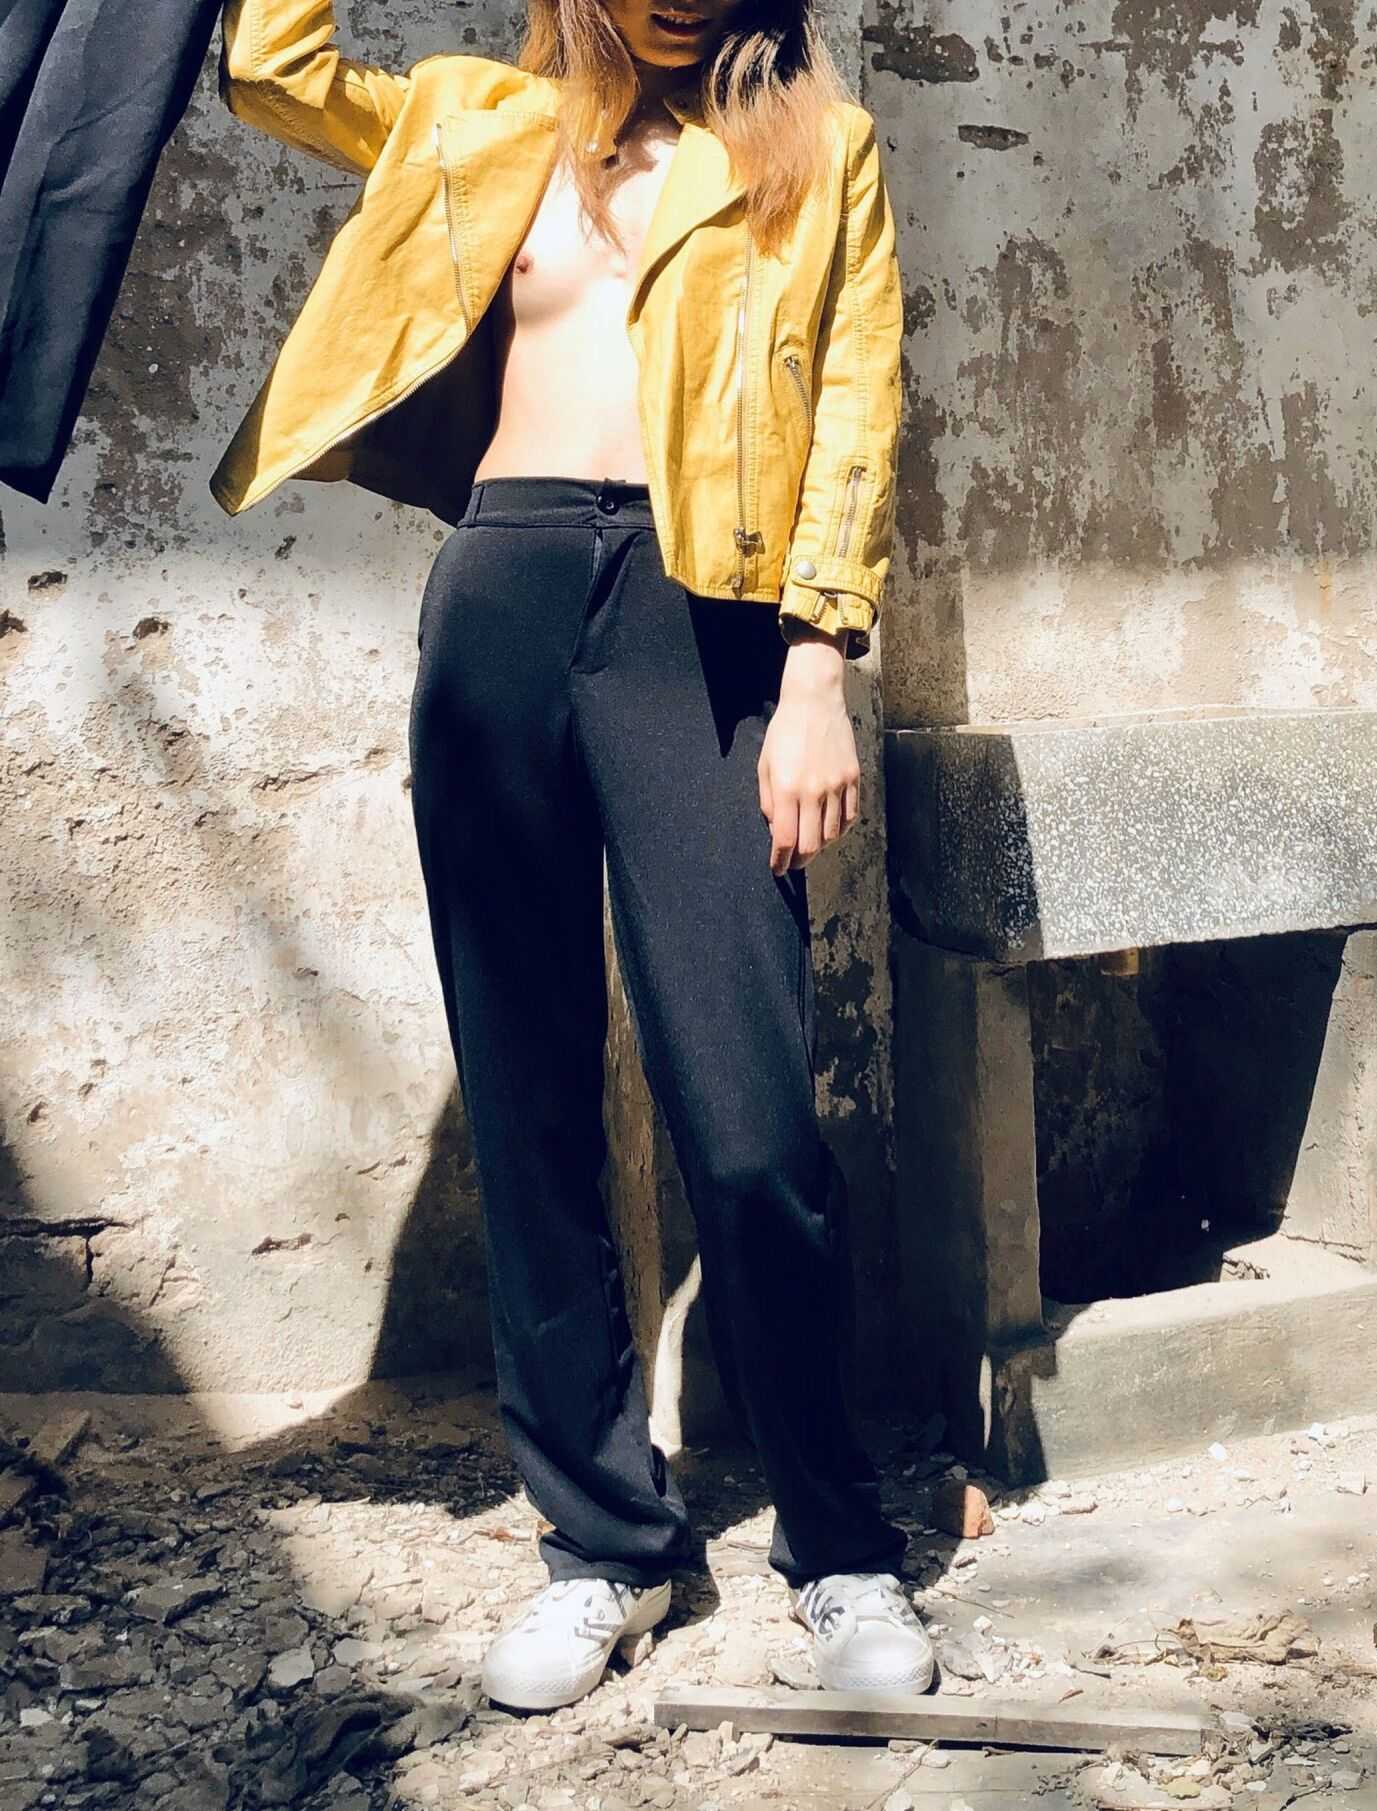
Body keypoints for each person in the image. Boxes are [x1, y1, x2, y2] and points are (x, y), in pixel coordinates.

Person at [211, 0, 932, 1711]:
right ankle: (605, 1544)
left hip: (708, 624)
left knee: (750, 1125)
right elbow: (272, 69)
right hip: (505, 589)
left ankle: (838, 1544)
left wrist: (817, 669)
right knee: (527, 1101)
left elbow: (856, 403)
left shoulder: (819, 152)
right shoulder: (477, 119)